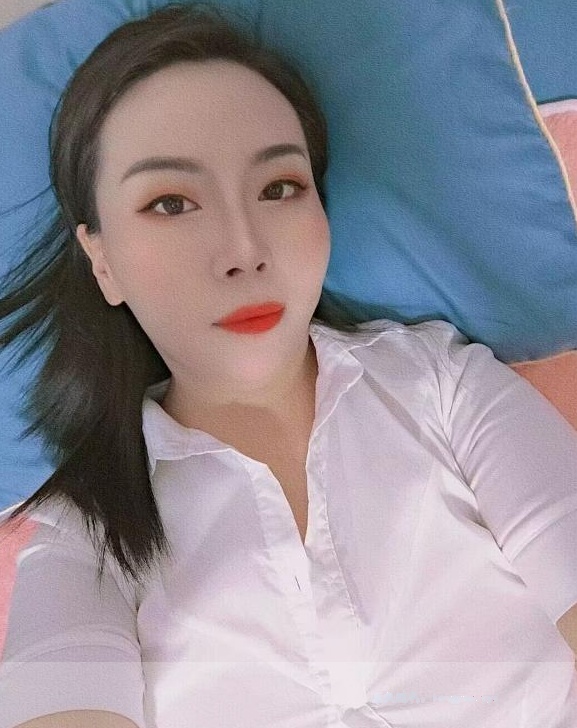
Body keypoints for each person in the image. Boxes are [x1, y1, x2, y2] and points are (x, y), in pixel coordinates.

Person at [0, 5, 577, 727]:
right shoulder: (88, 528)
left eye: (278, 188)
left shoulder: (444, 388)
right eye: (171, 203)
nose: (243, 249)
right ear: (102, 260)